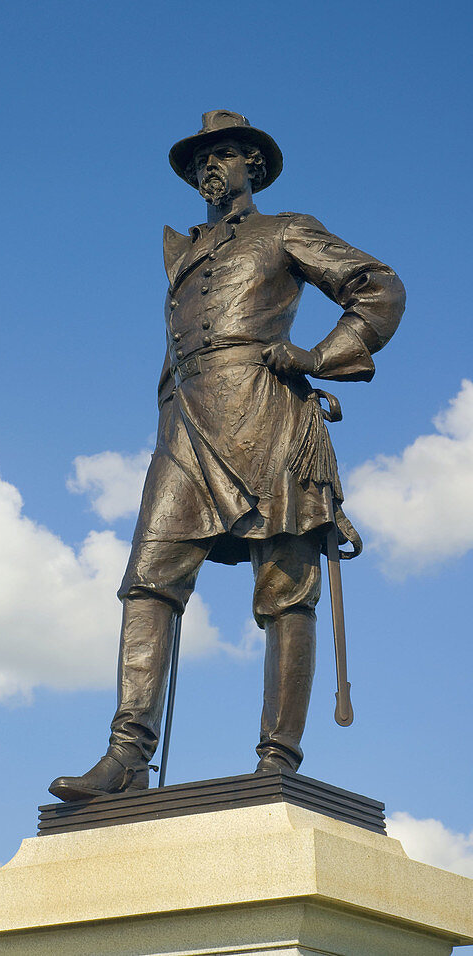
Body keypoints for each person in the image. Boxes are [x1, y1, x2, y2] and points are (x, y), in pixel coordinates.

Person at [49, 110, 405, 801]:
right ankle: (126, 754)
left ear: (255, 167)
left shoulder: (286, 229)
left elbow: (377, 287)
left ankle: (278, 757)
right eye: (201, 161)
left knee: (284, 586)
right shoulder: (187, 248)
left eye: (226, 156)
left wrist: (320, 356)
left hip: (266, 412)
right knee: (148, 578)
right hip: (187, 422)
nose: (210, 169)